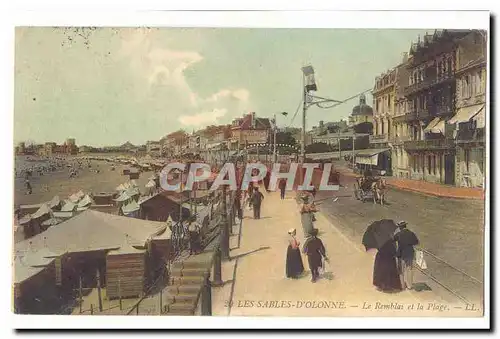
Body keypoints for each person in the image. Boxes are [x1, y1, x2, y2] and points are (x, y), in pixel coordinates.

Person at [395, 221, 419, 290]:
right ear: (405, 226)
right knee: (409, 269)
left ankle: (402, 285)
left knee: (401, 270)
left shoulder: (399, 234)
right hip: (409, 253)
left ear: (400, 227)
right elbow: (416, 242)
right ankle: (410, 285)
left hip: (401, 254)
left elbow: (393, 239)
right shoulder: (411, 233)